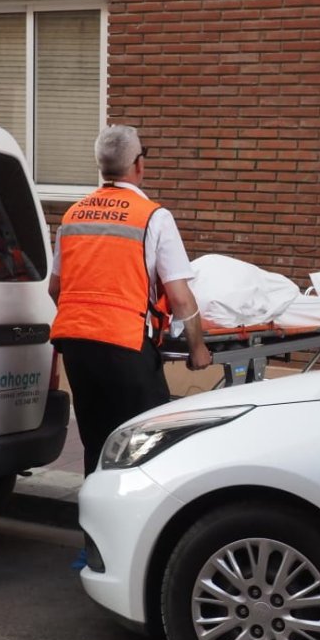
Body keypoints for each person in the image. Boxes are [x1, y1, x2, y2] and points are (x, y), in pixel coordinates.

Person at [49, 125, 211, 481]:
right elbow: (181, 297)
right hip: (124, 347)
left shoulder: (73, 215)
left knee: (97, 444)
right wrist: (198, 350)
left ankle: (93, 535)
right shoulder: (153, 216)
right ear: (139, 165)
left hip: (76, 346)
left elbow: (55, 288)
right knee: (146, 446)